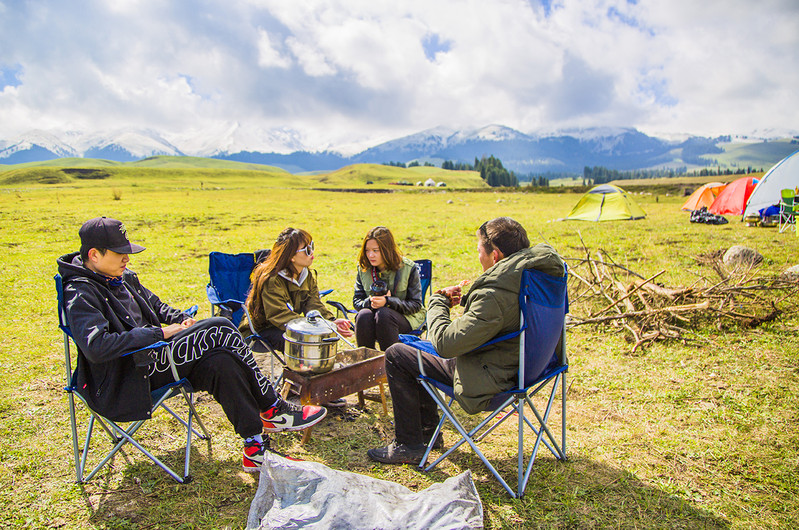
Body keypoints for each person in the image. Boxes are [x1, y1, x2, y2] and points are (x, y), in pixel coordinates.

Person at [57, 217, 327, 473]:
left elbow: (159, 308)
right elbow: (97, 346)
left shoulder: (124, 277)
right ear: (94, 255)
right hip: (129, 377)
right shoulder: (79, 292)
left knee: (221, 361)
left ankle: (255, 447)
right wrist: (160, 333)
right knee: (220, 327)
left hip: (159, 360)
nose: (127, 258)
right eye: (119, 253)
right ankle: (273, 407)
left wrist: (185, 321)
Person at [367, 217, 565, 465]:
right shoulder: (538, 277)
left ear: (496, 255)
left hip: (490, 377)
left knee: (398, 353)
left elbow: (446, 345)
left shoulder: (496, 292)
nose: (479, 257)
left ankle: (410, 444)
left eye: (480, 251)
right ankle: (429, 434)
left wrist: (438, 302)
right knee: (411, 346)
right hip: (534, 367)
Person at [242, 227, 353, 352]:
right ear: (291, 256)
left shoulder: (306, 274)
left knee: (315, 340)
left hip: (291, 327)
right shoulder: (272, 280)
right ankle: (299, 371)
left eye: (312, 246)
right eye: (306, 250)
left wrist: (330, 322)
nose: (311, 252)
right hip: (260, 331)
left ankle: (312, 370)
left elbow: (313, 303)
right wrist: (313, 328)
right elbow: (279, 315)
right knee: (298, 342)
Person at [352, 226, 425, 351]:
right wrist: (370, 302)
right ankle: (365, 362)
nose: (370, 255)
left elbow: (416, 305)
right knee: (363, 315)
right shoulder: (363, 268)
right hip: (373, 317)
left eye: (376, 250)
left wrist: (388, 302)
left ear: (387, 250)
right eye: (367, 250)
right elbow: (357, 301)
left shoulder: (408, 268)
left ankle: (391, 362)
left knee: (384, 315)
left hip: (406, 318)